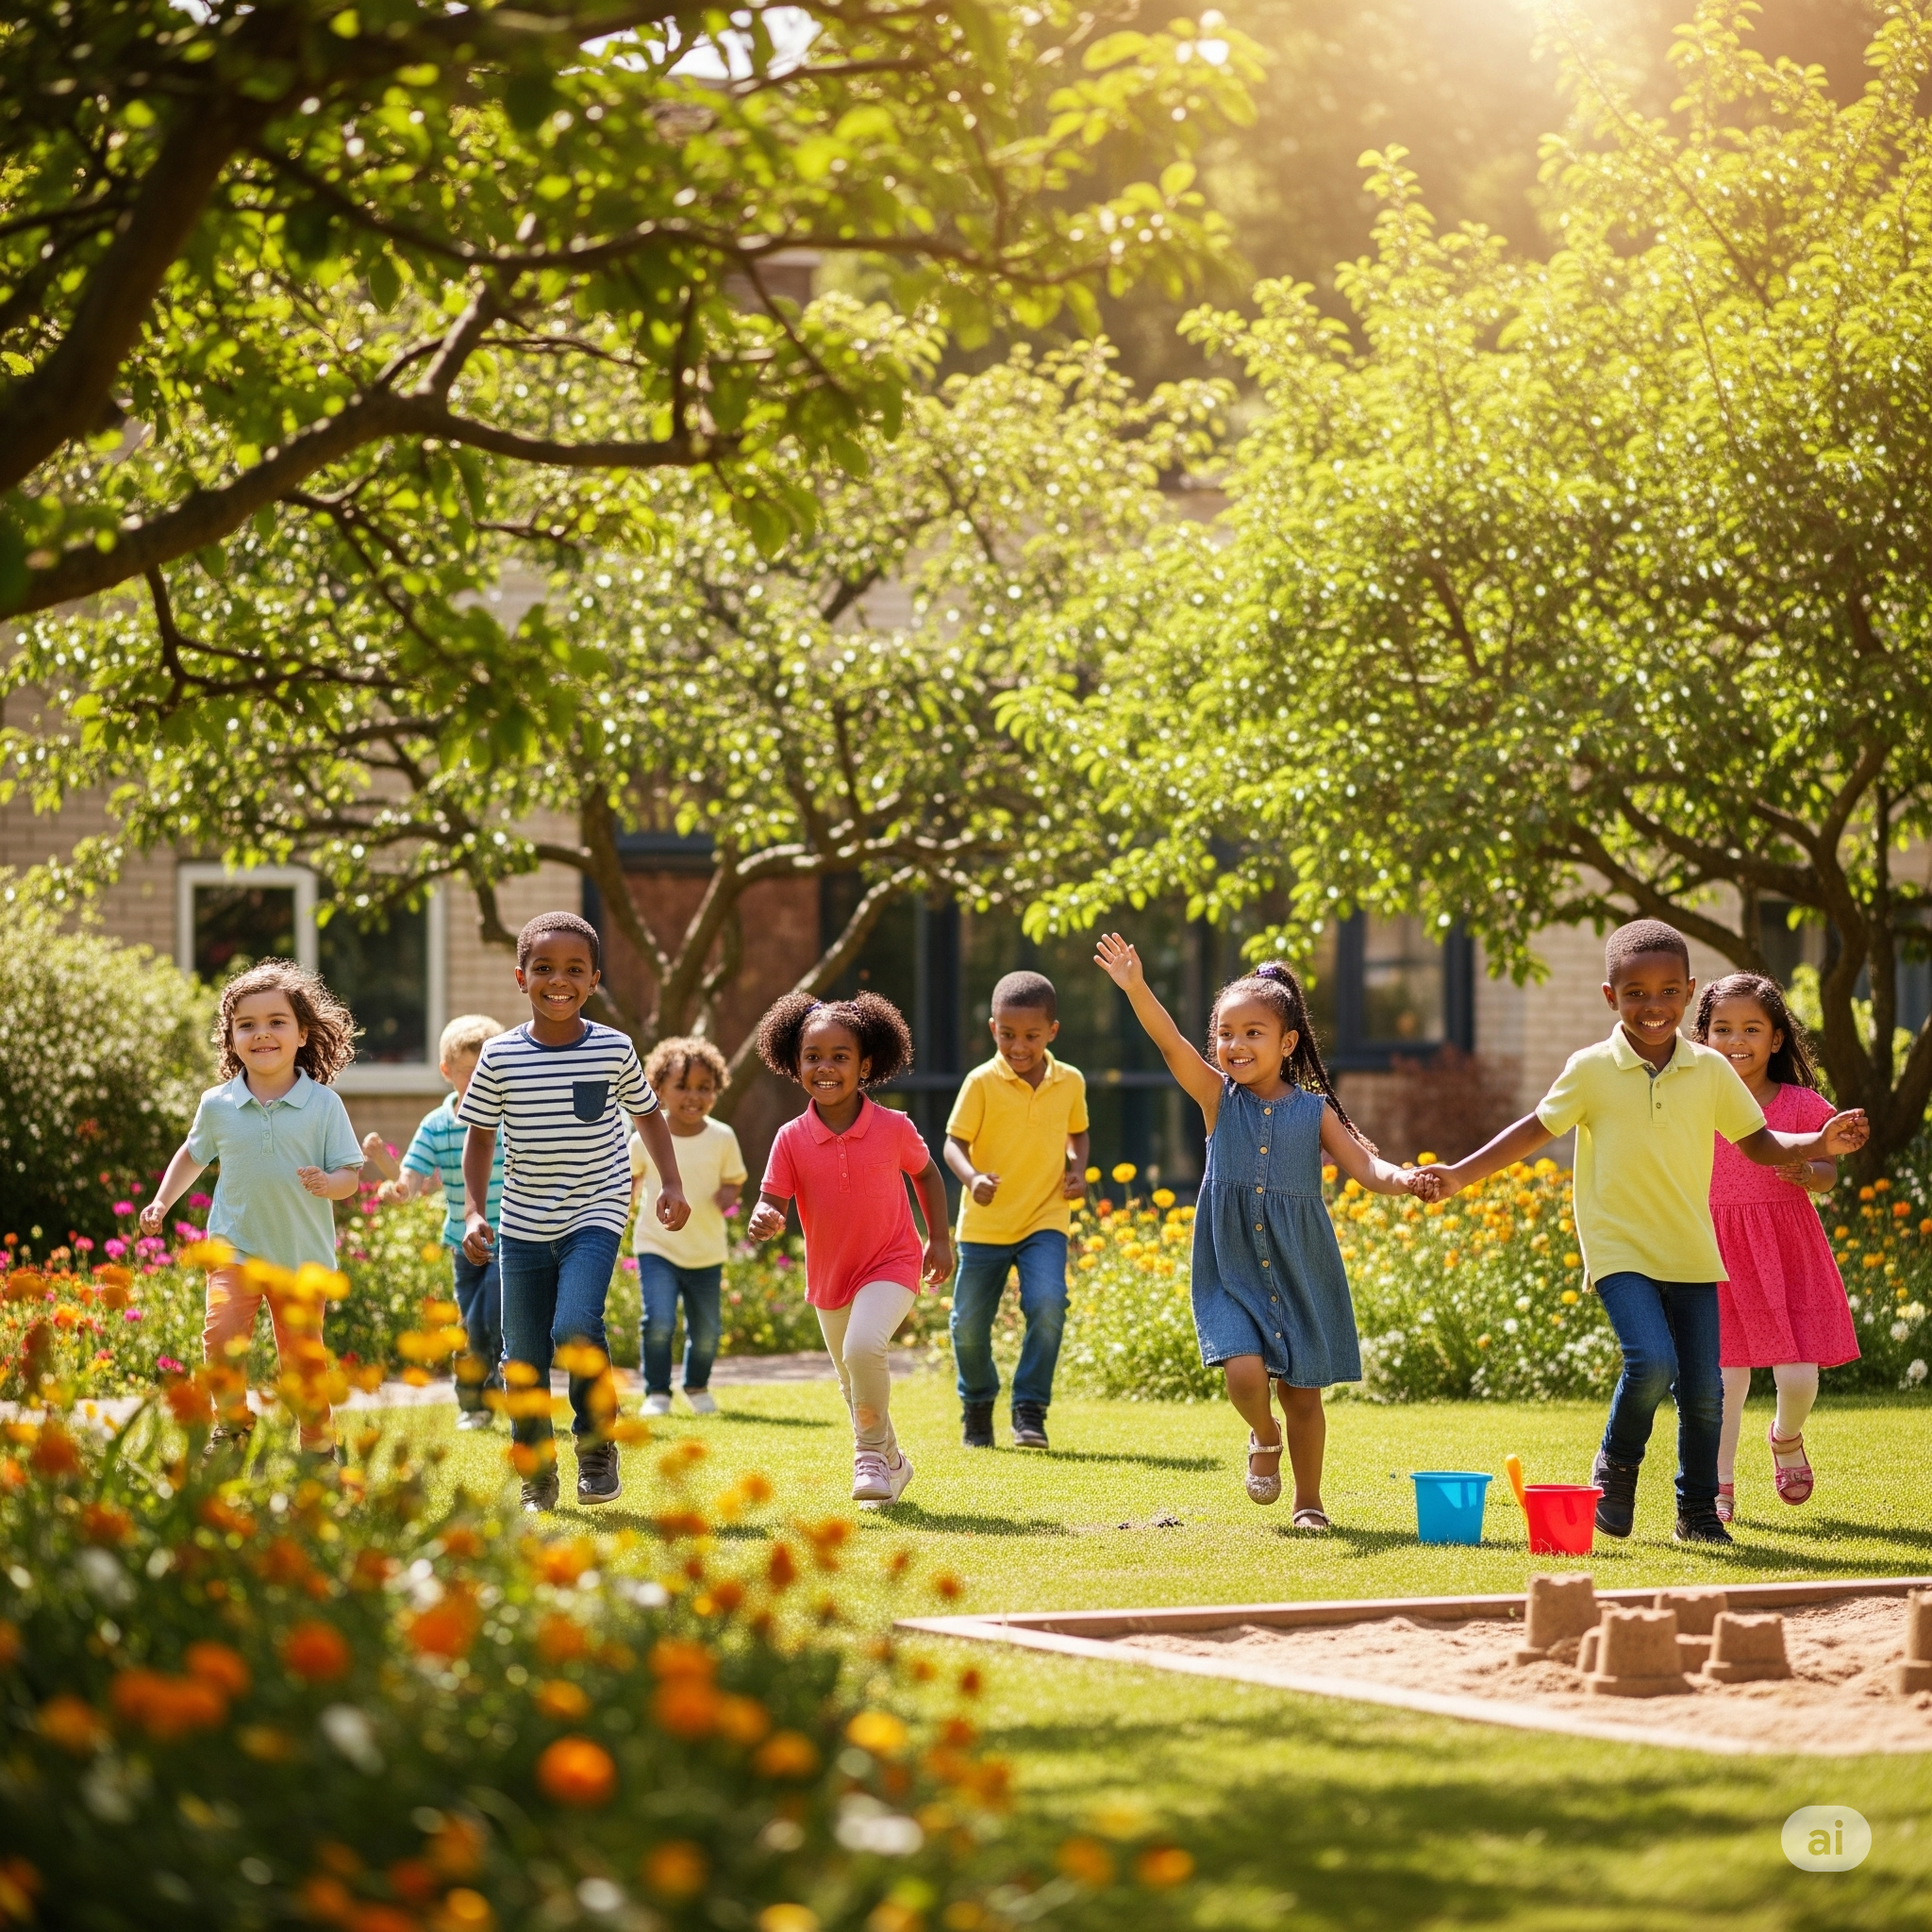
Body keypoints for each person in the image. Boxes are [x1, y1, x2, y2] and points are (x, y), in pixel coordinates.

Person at [1417, 920, 1868, 1545]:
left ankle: (1698, 1512)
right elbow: (1534, 1129)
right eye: (1636, 993)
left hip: (1693, 1248)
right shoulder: (1591, 1069)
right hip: (1619, 1244)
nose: (1653, 1006)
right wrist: (1460, 1175)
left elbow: (1761, 1143)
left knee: (1705, 1390)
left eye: (1667, 992)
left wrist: (1818, 1142)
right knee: (1652, 1362)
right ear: (1611, 996)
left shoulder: (1709, 1071)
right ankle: (1618, 1464)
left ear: (1688, 992)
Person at [1094, 936, 1432, 1528]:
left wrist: (1404, 1179)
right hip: (1231, 1265)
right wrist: (1136, 987)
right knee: (1243, 1370)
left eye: (1253, 1033)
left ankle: (1309, 1501)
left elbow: (1366, 1168)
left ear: (1288, 1043)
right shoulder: (1216, 1099)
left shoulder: (1314, 1111)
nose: (1237, 1045)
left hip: (1300, 1263)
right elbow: (1170, 1043)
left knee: (1302, 1394)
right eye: (1226, 1033)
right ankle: (1263, 1433)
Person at [457, 912, 689, 1513]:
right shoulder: (499, 1056)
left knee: (575, 1326)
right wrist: (475, 1213)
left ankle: (595, 1446)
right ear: (521, 977)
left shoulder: (613, 1048)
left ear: (593, 981)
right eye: (543, 968)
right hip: (523, 1221)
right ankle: (536, 1471)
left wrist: (671, 1182)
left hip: (596, 1207)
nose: (558, 980)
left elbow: (648, 1115)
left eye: (574, 970)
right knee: (522, 1356)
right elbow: (479, 1137)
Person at [141, 959, 363, 1457]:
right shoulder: (217, 1104)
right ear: (231, 1038)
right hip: (234, 1248)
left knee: (303, 1362)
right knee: (220, 1338)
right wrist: (161, 1201)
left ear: (302, 1034)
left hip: (301, 1258)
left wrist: (329, 1183)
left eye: (276, 1021)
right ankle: (232, 1427)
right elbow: (192, 1155)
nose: (261, 1033)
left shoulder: (324, 1105)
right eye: (247, 1025)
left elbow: (350, 1175)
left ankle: (318, 1447)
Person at [748, 991, 952, 1506]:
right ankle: (893, 1462)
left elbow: (927, 1174)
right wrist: (764, 1216)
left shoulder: (894, 1127)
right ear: (795, 1065)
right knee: (850, 1378)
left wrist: (939, 1239)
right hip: (830, 1275)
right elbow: (772, 1199)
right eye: (812, 1056)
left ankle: (867, 1454)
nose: (825, 1067)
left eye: (840, 1056)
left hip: (891, 1261)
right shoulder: (790, 1138)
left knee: (862, 1349)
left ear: (865, 1066)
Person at [1691, 971, 1859, 1522]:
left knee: (1798, 1376)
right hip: (1715, 1250)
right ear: (1704, 1036)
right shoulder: (1693, 1099)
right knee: (1725, 1381)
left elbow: (1829, 1169)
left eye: (1751, 1029)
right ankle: (1717, 1486)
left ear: (1776, 1039)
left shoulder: (1801, 1104)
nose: (1735, 1040)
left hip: (1786, 1250)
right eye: (1722, 1028)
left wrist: (1811, 1173)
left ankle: (1786, 1437)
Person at [943, 970, 1090, 1449]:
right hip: (984, 1224)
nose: (1018, 1046)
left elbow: (1078, 1132)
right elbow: (953, 1144)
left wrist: (1077, 1169)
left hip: (1045, 1218)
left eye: (1031, 1035)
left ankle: (1029, 1408)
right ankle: (977, 1403)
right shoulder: (980, 1082)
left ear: (1052, 1031)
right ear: (993, 1028)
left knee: (1048, 1304)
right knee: (968, 1326)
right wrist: (972, 1178)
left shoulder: (1070, 1081)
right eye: (1007, 1035)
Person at [359, 1014, 508, 1431]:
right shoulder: (437, 1125)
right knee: (468, 1325)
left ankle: (501, 1384)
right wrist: (390, 1175)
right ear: (446, 1071)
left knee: (487, 1317)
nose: (478, 1081)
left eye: (486, 1072)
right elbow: (410, 1181)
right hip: (463, 1243)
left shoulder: (510, 1118)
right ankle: (474, 1404)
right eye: (467, 1072)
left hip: (511, 1239)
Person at [627, 1035, 748, 1417]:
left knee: (707, 1331)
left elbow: (735, 1179)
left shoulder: (722, 1137)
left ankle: (696, 1386)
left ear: (716, 1091)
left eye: (704, 1087)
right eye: (682, 1086)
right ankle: (657, 1393)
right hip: (657, 1246)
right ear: (658, 1089)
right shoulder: (644, 1138)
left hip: (706, 1252)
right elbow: (630, 1179)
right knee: (658, 1321)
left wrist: (728, 1194)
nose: (693, 1096)